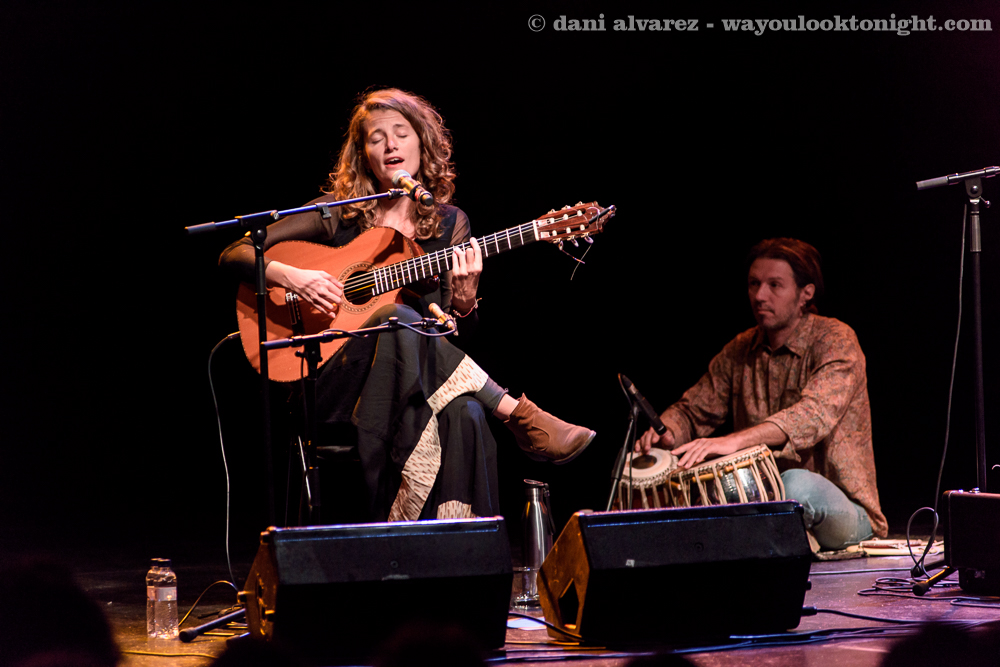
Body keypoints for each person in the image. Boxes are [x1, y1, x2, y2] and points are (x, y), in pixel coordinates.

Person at [219, 88, 594, 523]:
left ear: (422, 144)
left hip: (411, 382)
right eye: (376, 138)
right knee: (395, 317)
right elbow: (235, 254)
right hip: (331, 381)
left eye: (401, 133)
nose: (390, 145)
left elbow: (449, 339)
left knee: (466, 409)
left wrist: (465, 303)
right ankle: (518, 414)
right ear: (363, 155)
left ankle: (455, 545)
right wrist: (293, 277)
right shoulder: (338, 213)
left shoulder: (449, 224)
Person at [636, 238, 887, 550]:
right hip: (764, 501)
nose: (759, 295)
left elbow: (812, 415)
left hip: (841, 509)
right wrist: (668, 432)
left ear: (806, 293)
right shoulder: (741, 348)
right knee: (708, 489)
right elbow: (693, 410)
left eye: (774, 285)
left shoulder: (836, 339)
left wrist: (733, 441)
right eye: (754, 284)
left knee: (795, 486)